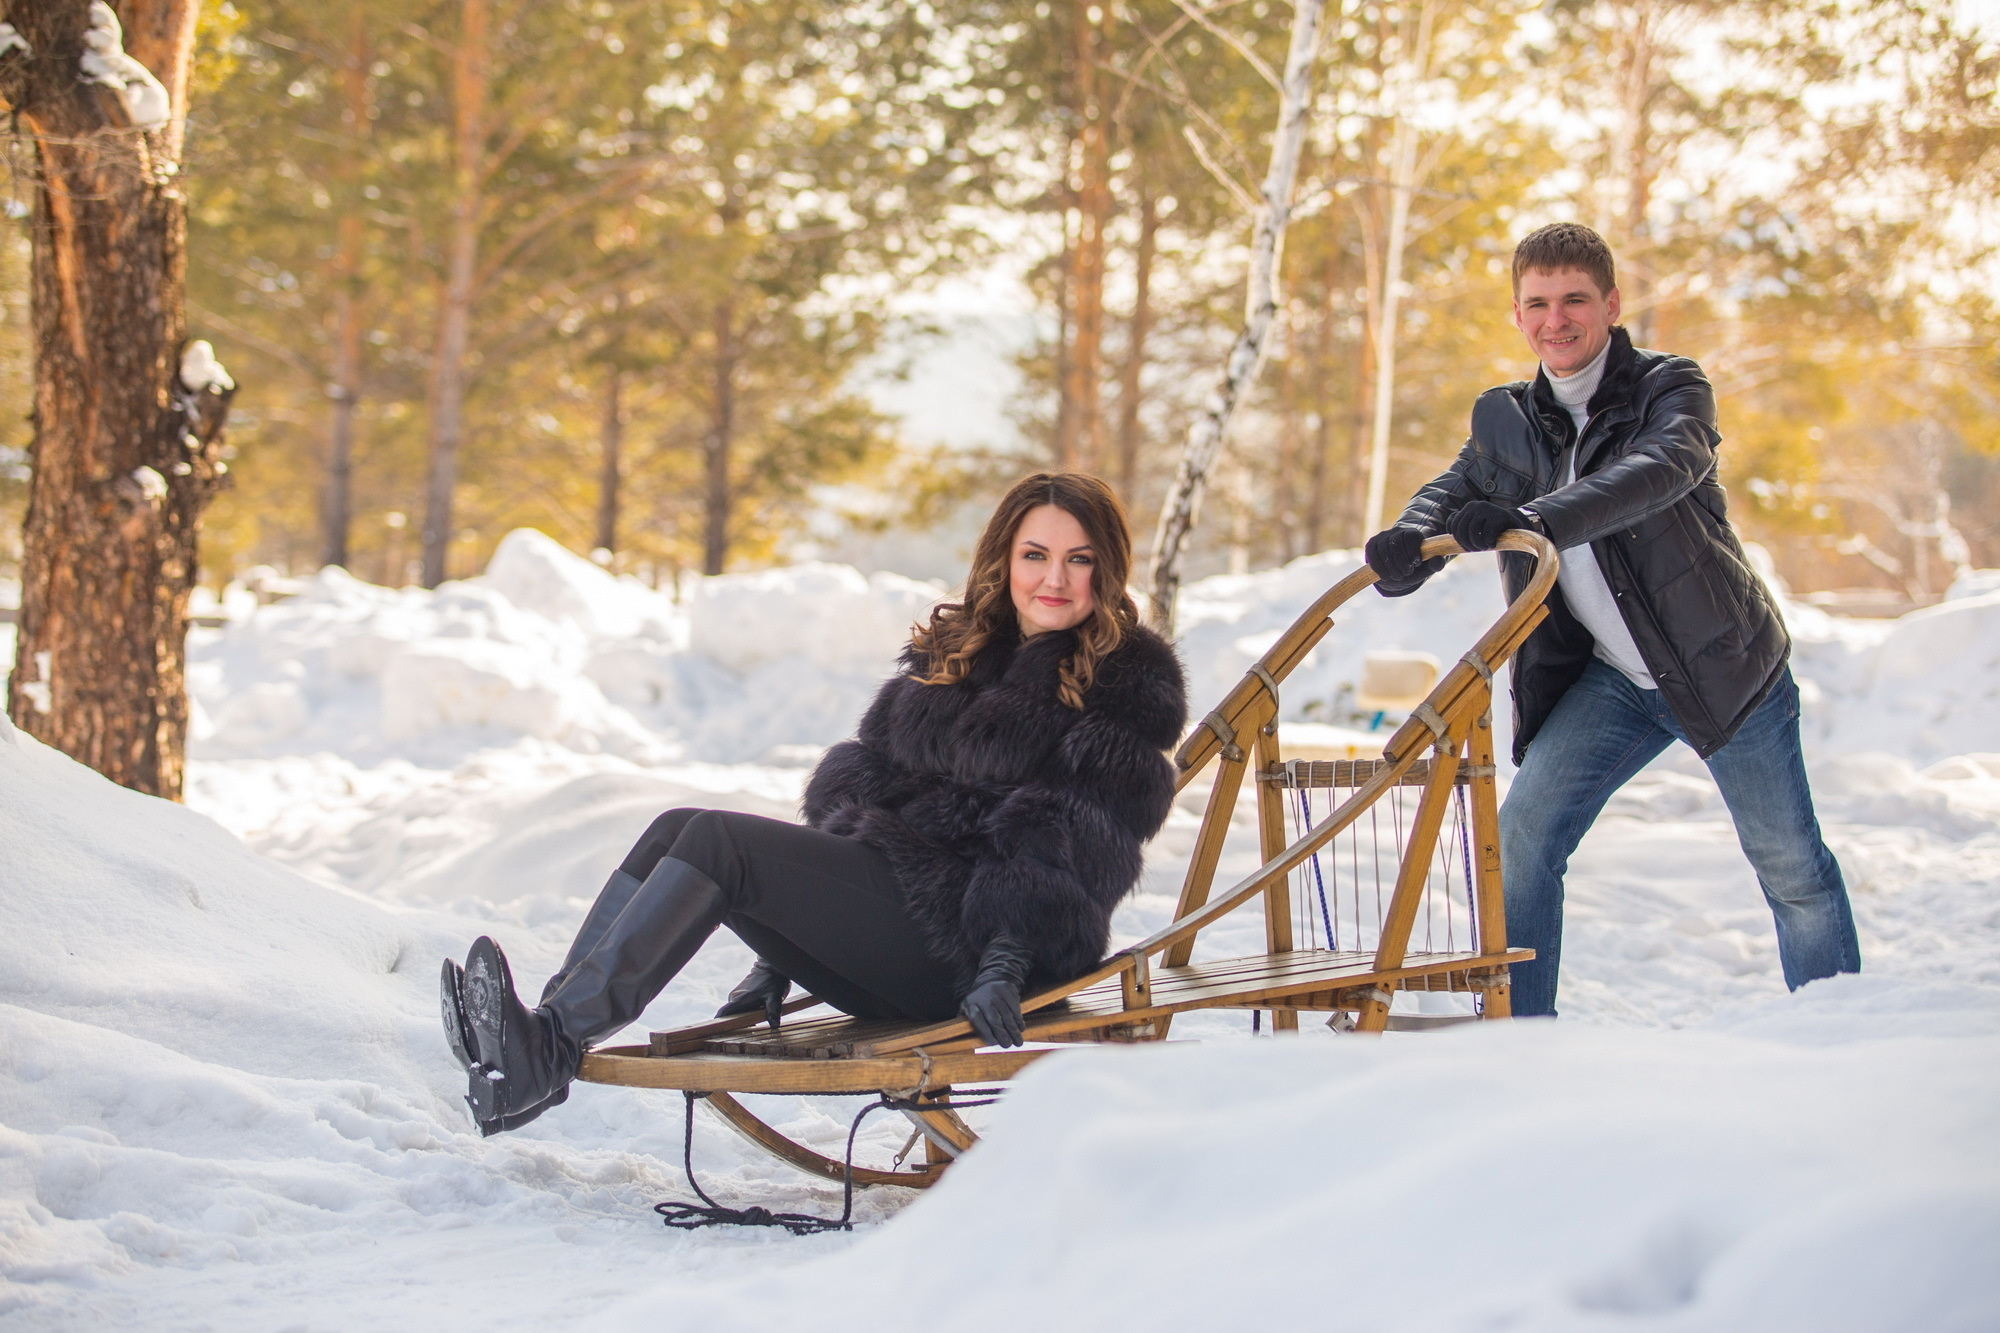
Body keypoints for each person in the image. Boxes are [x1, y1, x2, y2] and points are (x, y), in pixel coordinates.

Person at [439, 472, 1188, 1133]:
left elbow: (1076, 845)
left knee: (717, 844)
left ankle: (545, 1051)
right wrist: (783, 938)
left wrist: (1007, 956)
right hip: (897, 909)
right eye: (1036, 554)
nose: (1054, 577)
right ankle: (540, 1037)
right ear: (1004, 560)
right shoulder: (956, 655)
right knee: (676, 828)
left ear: (1105, 570)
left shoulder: (1118, 689)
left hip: (969, 955)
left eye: (1078, 558)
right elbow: (865, 786)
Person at [1363, 221, 1859, 1017]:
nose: (1555, 319)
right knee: (1522, 837)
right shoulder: (1506, 417)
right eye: (1537, 303)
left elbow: (1655, 471)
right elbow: (1453, 488)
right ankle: (1519, 1034)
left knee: (1790, 866)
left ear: (1612, 303)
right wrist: (1407, 541)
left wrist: (1532, 517)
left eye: (1574, 300)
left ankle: (1842, 1032)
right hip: (1614, 681)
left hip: (1723, 665)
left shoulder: (1671, 388)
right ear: (1518, 315)